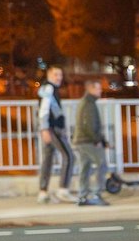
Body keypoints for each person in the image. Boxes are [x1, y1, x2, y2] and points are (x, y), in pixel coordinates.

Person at [36, 66, 75, 203]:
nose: (59, 77)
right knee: (69, 156)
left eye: (60, 74)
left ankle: (43, 193)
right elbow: (44, 110)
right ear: (49, 75)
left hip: (50, 129)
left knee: (47, 159)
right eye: (56, 74)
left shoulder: (48, 88)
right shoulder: (49, 88)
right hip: (52, 129)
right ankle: (63, 190)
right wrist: (45, 129)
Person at [72, 78, 110, 206]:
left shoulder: (85, 102)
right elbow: (89, 125)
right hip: (87, 141)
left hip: (81, 141)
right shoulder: (89, 104)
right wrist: (98, 141)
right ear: (91, 89)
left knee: (85, 167)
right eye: (98, 88)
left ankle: (82, 196)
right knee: (102, 165)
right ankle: (96, 194)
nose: (101, 91)